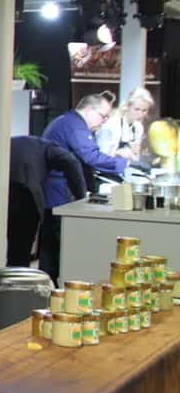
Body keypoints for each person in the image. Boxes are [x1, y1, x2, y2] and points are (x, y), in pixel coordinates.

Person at [38, 93, 128, 280]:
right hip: (59, 194)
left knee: (50, 248)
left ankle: (49, 290)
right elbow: (91, 157)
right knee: (57, 247)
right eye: (103, 116)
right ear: (89, 110)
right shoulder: (75, 126)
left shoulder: (67, 121)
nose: (104, 121)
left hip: (54, 192)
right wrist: (123, 164)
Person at [0, 136, 86, 267]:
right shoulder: (49, 148)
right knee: (19, 254)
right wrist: (81, 197)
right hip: (19, 191)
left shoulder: (12, 141)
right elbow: (71, 161)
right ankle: (15, 283)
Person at [95, 87, 154, 162]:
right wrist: (117, 153)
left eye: (144, 110)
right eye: (137, 109)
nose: (140, 114)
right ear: (127, 106)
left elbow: (134, 157)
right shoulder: (111, 126)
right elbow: (99, 158)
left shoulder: (138, 127)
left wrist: (135, 152)